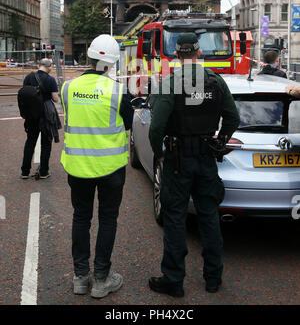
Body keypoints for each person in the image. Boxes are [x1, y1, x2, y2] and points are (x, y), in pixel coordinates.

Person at [148, 33, 240, 297]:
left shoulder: (171, 83)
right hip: (206, 159)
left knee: (175, 218)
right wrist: (219, 142)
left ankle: (174, 280)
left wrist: (160, 153)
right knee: (209, 216)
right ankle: (213, 277)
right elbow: (232, 118)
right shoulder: (215, 81)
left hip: (177, 161)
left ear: (177, 54)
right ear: (199, 53)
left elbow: (156, 128)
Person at [60, 34, 133, 299]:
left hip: (77, 166)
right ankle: (101, 279)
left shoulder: (68, 88)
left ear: (88, 57)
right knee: (107, 219)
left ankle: (81, 278)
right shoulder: (119, 90)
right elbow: (126, 124)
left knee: (81, 218)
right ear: (112, 63)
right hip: (110, 168)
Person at [20, 58, 59, 179]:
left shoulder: (28, 77)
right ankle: (43, 172)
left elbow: (25, 93)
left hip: (31, 113)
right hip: (46, 114)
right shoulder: (50, 79)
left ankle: (25, 172)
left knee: (30, 141)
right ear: (49, 67)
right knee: (46, 143)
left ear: (38, 66)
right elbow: (55, 99)